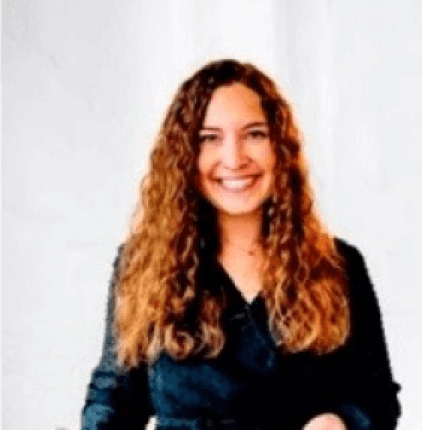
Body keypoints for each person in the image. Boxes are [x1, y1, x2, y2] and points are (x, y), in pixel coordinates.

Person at [81, 59, 401, 430]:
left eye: (254, 134)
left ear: (280, 146)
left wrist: (340, 421)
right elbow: (113, 401)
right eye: (209, 138)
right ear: (184, 155)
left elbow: (377, 399)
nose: (234, 159)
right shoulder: (143, 264)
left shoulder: (338, 264)